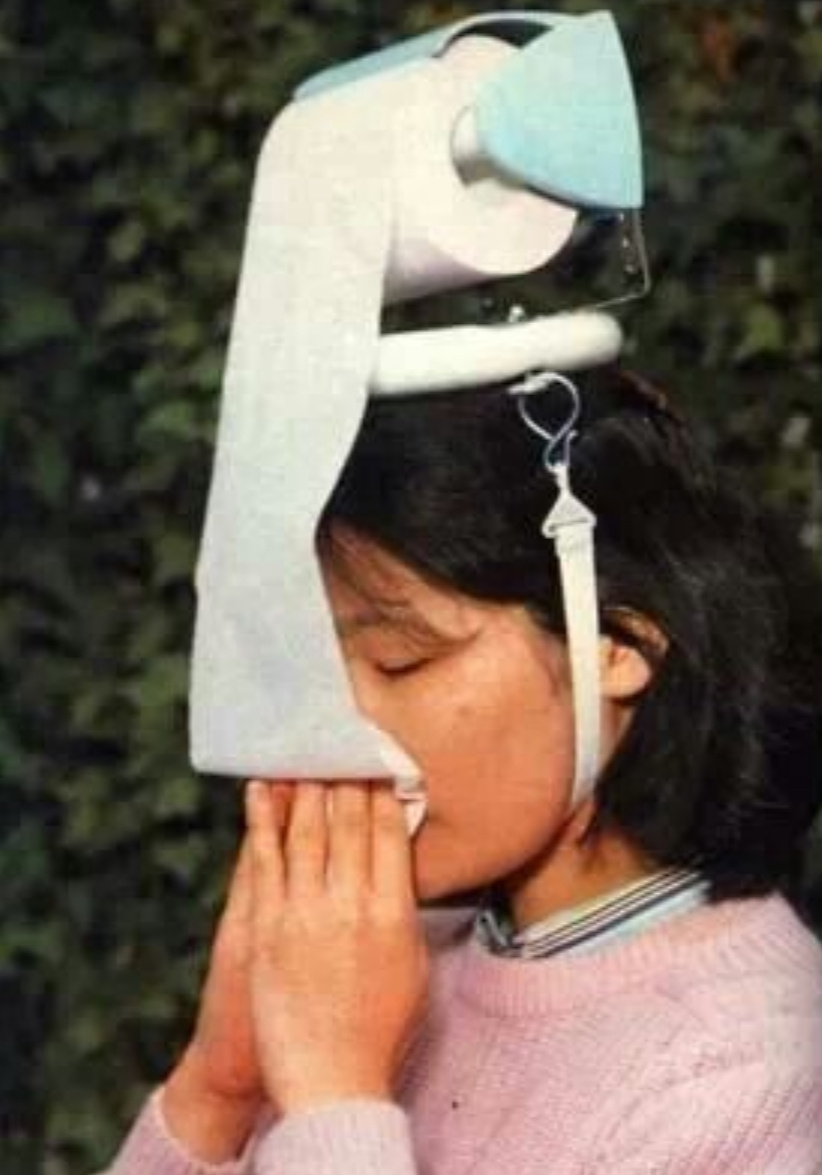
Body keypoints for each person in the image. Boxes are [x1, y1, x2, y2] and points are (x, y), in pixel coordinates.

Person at [104, 365, 822, 1174]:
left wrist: (335, 1093)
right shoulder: (391, 968)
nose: (338, 730)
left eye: (400, 660)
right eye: (321, 673)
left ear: (618, 647)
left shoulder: (756, 1072)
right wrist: (217, 1089)